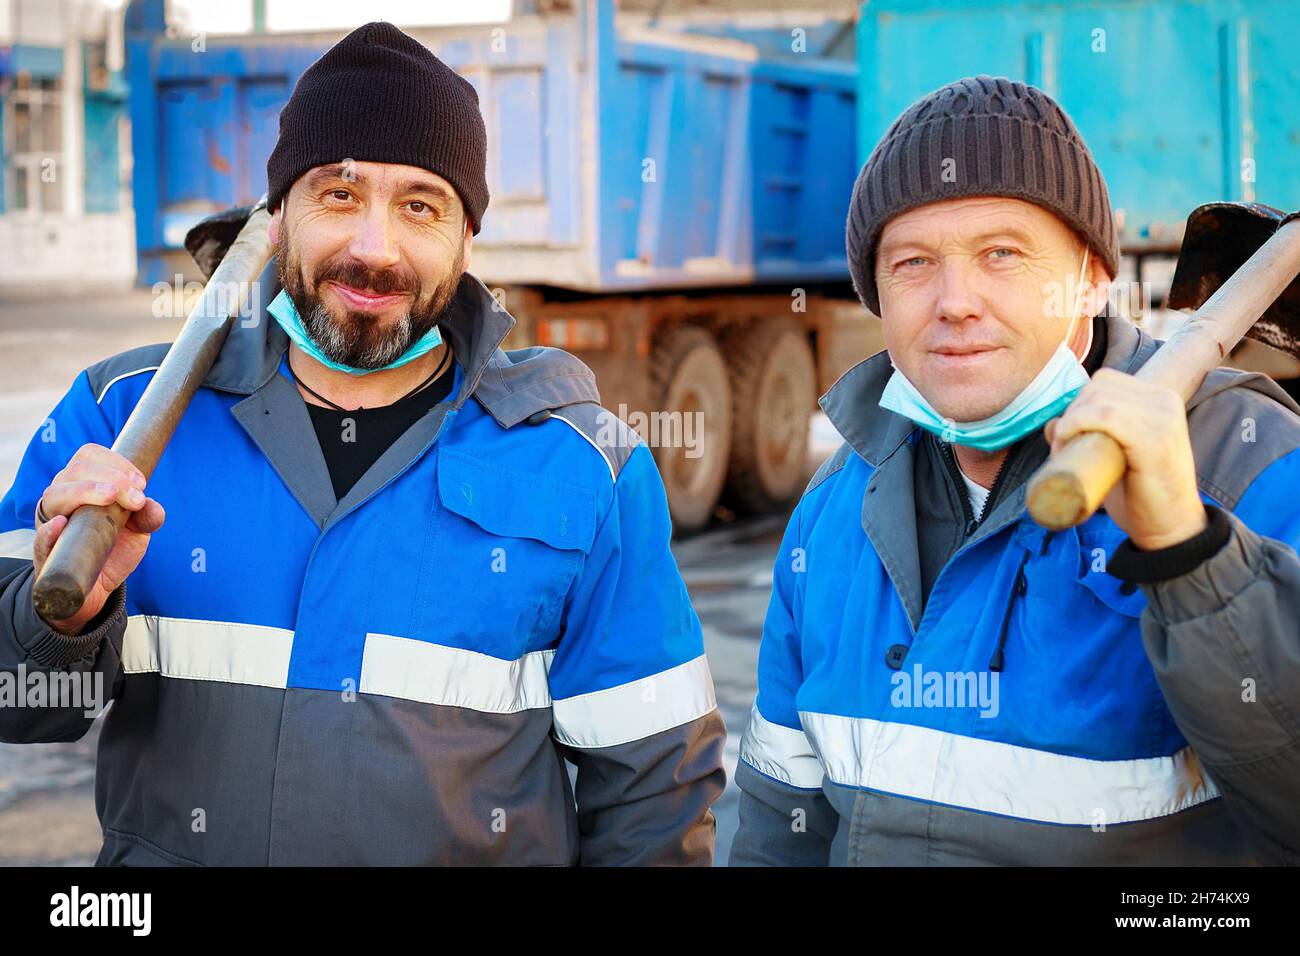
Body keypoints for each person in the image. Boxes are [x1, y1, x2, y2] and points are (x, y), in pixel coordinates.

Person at [0, 22, 724, 866]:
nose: (374, 249)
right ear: (278, 217)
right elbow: (18, 702)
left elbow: (654, 801)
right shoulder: (117, 424)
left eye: (420, 206)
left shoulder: (582, 466)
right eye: (339, 195)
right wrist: (65, 618)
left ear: (466, 238)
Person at [731, 76, 1300, 866]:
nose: (955, 301)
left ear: (1093, 278)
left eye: (1002, 253)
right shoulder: (833, 511)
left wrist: (1189, 554)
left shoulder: (1256, 468)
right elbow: (777, 824)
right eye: (913, 262)